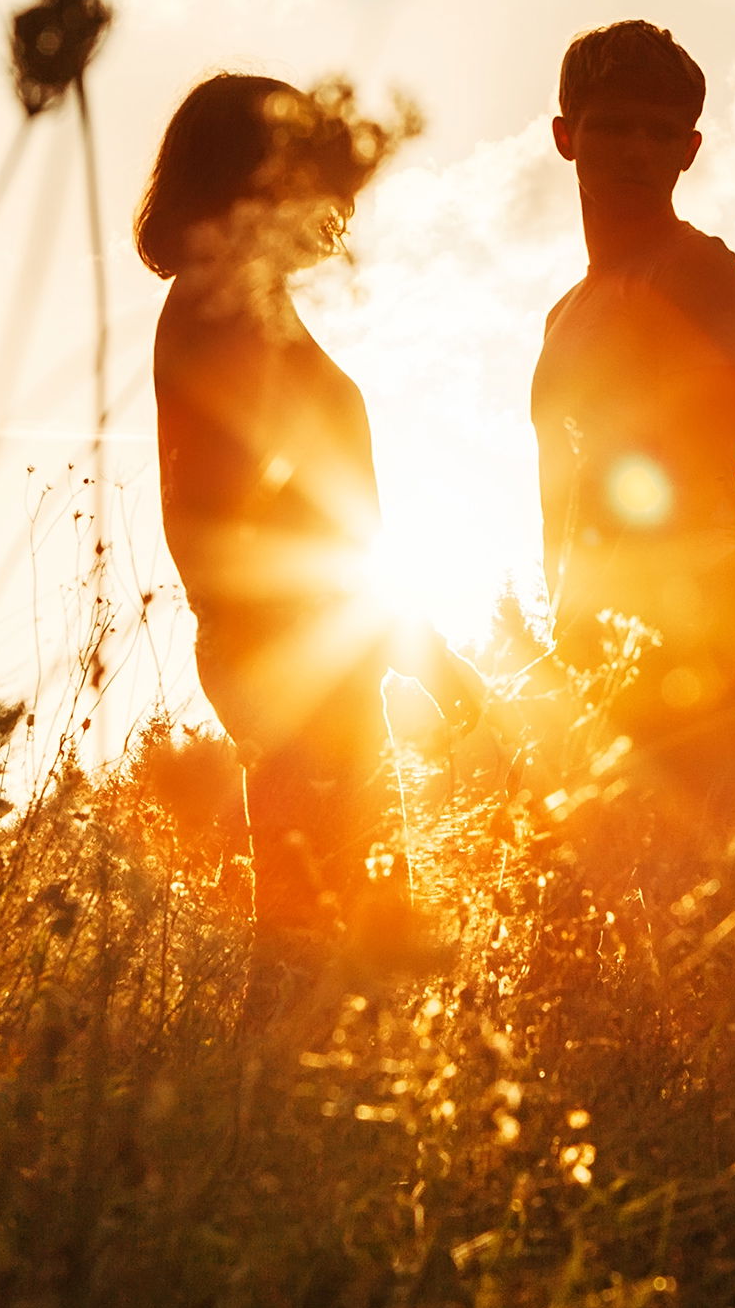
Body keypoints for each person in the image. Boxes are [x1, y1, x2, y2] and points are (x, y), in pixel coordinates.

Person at [142, 74, 483, 996]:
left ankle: (291, 1081)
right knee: (320, 945)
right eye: (296, 170)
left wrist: (409, 645)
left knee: (339, 939)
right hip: (290, 661)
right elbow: (233, 523)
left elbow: (318, 525)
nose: (324, 198)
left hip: (311, 657)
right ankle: (273, 1082)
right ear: (246, 181)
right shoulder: (219, 311)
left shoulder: (246, 307)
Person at [530, 22, 735, 837]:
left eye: (661, 132)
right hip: (594, 660)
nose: (638, 150)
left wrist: (622, 649)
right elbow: (556, 501)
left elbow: (693, 470)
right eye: (613, 126)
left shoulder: (699, 273)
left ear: (689, 151)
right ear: (566, 136)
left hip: (693, 652)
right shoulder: (563, 317)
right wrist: (566, 651)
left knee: (700, 905)